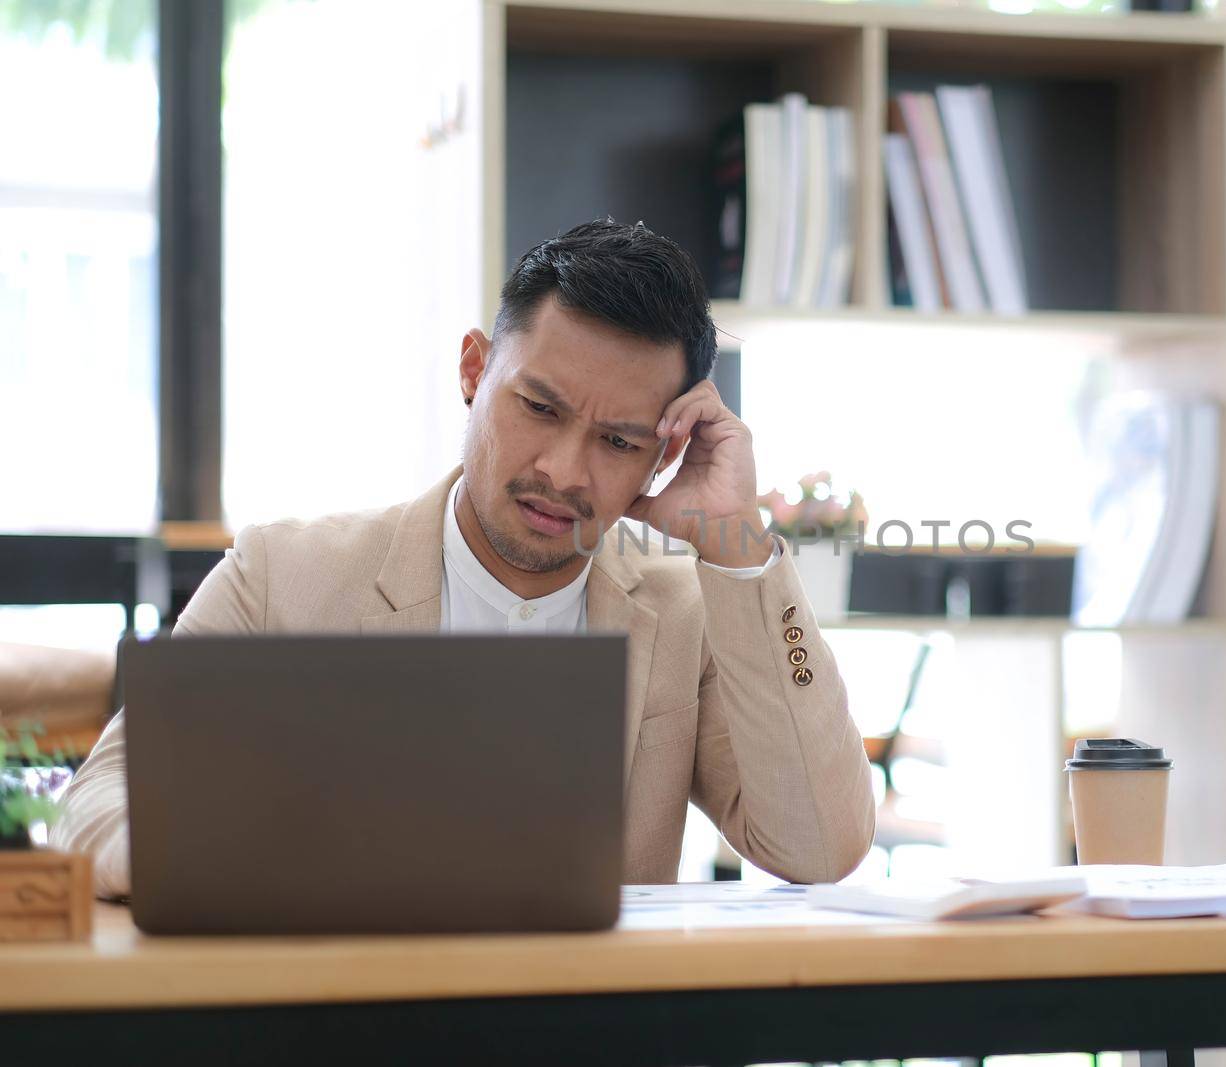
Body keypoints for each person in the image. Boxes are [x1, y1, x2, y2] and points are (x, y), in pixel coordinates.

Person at [54, 219, 875, 897]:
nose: (563, 469)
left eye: (618, 441)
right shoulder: (283, 577)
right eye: (538, 407)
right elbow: (95, 806)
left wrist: (737, 544)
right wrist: (239, 860)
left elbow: (821, 845)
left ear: (662, 457)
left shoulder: (688, 617)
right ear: (475, 370)